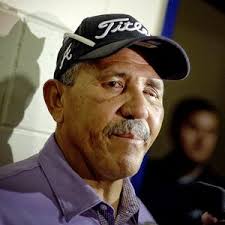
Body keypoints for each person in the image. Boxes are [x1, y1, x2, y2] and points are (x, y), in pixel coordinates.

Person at [0, 13, 219, 225]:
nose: (140, 109)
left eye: (151, 92)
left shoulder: (145, 220)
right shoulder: (6, 206)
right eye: (114, 83)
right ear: (57, 100)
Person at [138, 97, 225, 225]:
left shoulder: (220, 190)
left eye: (210, 131)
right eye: (193, 128)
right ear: (175, 129)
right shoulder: (142, 175)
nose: (202, 140)